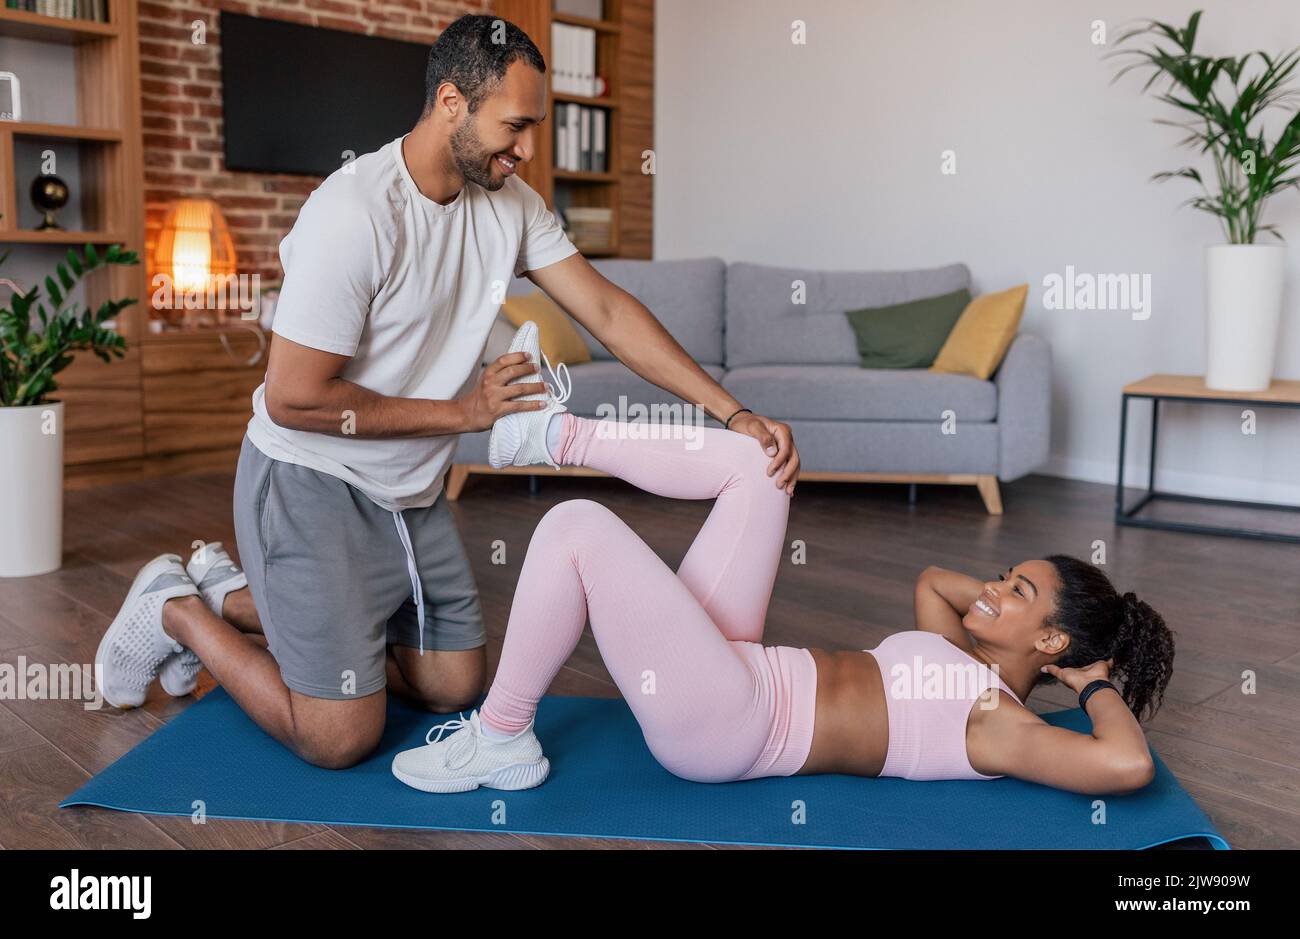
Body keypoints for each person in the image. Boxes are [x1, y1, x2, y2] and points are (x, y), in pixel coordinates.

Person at [93, 13, 799, 769]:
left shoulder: (510, 203)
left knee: (454, 687)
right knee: (340, 737)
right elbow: (294, 397)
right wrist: (466, 414)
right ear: (453, 103)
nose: (526, 150)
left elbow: (607, 310)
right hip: (310, 482)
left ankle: (230, 590)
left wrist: (730, 408)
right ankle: (175, 609)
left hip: (411, 492)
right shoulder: (353, 213)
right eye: (516, 126)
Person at [392, 364, 1175, 795]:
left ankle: (501, 736)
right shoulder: (964, 664)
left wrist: (1092, 679)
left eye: (1019, 593)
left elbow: (1125, 764)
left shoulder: (997, 726)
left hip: (735, 725)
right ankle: (557, 434)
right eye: (1007, 574)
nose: (995, 589)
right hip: (738, 662)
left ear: (1050, 637)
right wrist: (1011, 607)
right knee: (760, 460)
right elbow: (936, 580)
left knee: (575, 529)